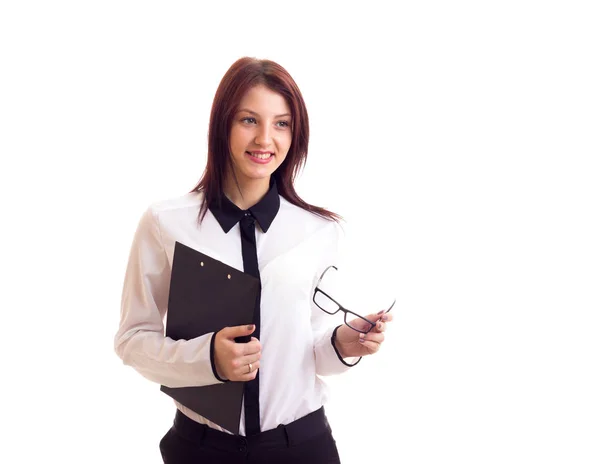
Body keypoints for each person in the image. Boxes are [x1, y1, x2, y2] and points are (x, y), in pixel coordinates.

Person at [114, 56, 393, 464]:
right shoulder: (165, 224)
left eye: (281, 123)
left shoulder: (317, 231)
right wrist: (207, 358)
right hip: (201, 449)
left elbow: (310, 347)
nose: (266, 139)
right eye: (249, 120)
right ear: (222, 124)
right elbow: (132, 341)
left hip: (301, 446)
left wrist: (341, 343)